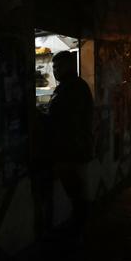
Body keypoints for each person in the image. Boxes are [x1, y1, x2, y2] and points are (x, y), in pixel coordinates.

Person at [40, 50, 93, 241]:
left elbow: (64, 119)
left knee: (75, 190)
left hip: (71, 150)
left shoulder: (73, 88)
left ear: (69, 66)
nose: (54, 70)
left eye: (58, 66)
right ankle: (79, 226)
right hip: (71, 148)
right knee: (75, 190)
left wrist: (41, 117)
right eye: (53, 67)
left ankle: (79, 229)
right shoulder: (70, 86)